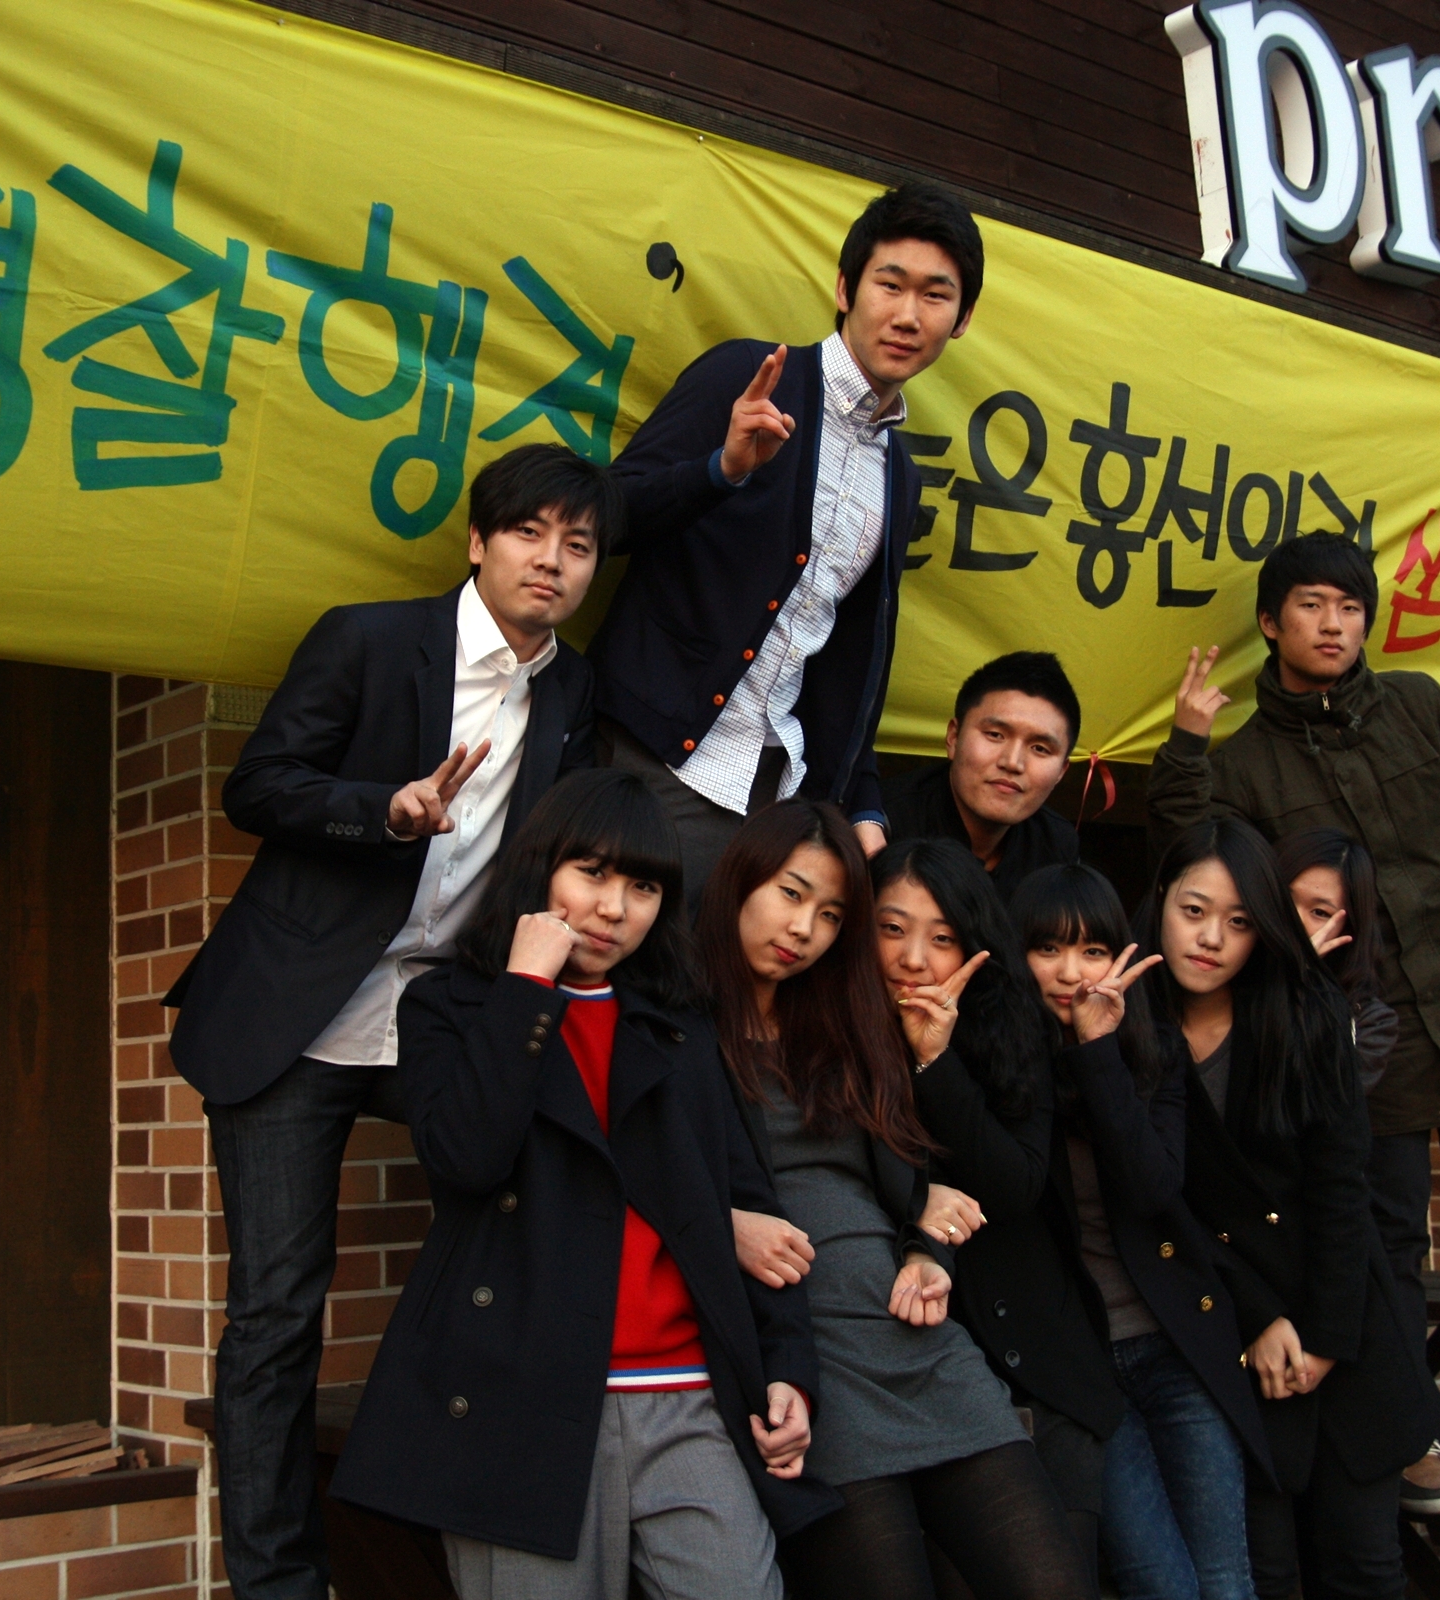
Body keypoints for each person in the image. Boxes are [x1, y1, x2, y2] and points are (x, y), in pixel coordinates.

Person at [160, 444, 613, 1600]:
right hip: (297, 1015)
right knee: (275, 1314)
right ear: (478, 541)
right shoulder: (368, 640)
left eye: (577, 545)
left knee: (541, 1190)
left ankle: (492, 1529)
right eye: (529, 533)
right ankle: (278, 1584)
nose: (552, 561)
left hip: (438, 1017)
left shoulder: (574, 691)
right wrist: (388, 811)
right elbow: (258, 785)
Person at [330, 769, 834, 1599]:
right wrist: (526, 989)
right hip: (519, 1399)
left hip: (687, 1395)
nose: (614, 908)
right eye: (592, 874)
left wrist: (789, 1372)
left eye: (643, 888)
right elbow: (465, 1159)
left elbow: (754, 1207)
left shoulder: (679, 1025)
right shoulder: (447, 1006)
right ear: (541, 868)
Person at [1147, 533, 1440, 1517]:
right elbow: (1195, 856)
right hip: (1364, 1030)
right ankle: (1414, 1432)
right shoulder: (1249, 758)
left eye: (1349, 607)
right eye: (1311, 606)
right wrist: (1188, 745)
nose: (1333, 625)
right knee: (1389, 1236)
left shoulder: (1420, 704)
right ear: (1270, 622)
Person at [704, 804, 1092, 1600]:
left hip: (912, 1329)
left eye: (830, 914)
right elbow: (637, 1178)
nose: (804, 928)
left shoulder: (844, 1022)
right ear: (740, 880)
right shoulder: (681, 1024)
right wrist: (722, 1225)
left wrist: (926, 1249)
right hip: (804, 1351)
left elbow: (909, 1171)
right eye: (791, 894)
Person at [594, 184, 985, 891]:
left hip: (776, 801)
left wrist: (861, 801)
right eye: (889, 284)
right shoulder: (745, 377)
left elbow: (851, 657)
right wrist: (721, 471)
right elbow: (607, 517)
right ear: (845, 288)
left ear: (961, 320)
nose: (907, 315)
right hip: (651, 762)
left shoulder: (899, 474)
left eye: (935, 296)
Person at [1135, 819, 1440, 1600]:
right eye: (1193, 911)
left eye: (1239, 922)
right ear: (1160, 900)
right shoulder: (1130, 1027)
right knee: (1266, 1570)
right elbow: (1160, 1206)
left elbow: (1342, 1189)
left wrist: (1325, 1338)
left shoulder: (1305, 1015)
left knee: (1364, 1564)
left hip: (1340, 1314)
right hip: (1228, 1326)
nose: (1211, 939)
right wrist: (1259, 1316)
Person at [1011, 863, 1268, 1600]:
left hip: (1175, 1345)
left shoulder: (1150, 1052)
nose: (1071, 973)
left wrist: (1099, 1053)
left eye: (1092, 951)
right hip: (1083, 1366)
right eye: (1048, 949)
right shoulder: (1001, 1065)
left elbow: (1154, 1187)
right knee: (1161, 1583)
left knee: (1226, 1581)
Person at [868, 839, 1120, 1574]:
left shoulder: (1010, 1026)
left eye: (943, 938)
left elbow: (1014, 1188)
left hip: (1043, 1363)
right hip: (919, 1370)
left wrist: (934, 1061)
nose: (914, 958)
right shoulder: (829, 1037)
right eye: (891, 929)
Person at [883, 653, 1084, 904]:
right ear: (953, 738)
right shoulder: (885, 823)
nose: (1013, 762)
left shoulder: (1055, 845)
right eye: (995, 735)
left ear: (1062, 771)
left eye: (1040, 748)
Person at [1274, 830, 1400, 1096]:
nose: (1295, 920)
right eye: (1285, 898)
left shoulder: (1369, 1023)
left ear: (1347, 928)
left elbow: (1319, 1103)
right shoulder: (1216, 979)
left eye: (1320, 912)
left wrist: (1293, 979)